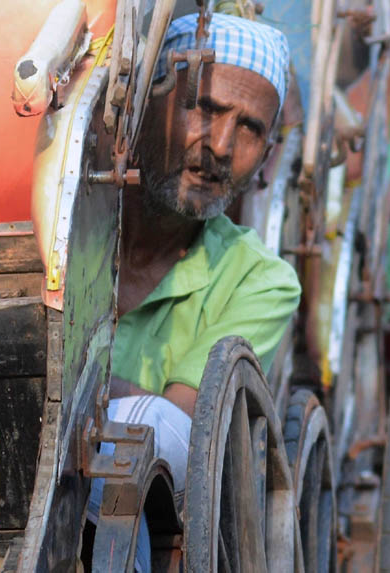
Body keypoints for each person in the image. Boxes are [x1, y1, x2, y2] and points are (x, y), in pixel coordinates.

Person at [86, 12, 301, 571]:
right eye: (203, 109)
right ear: (147, 103)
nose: (221, 146)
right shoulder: (70, 221)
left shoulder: (259, 279)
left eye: (250, 128)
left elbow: (182, 435)